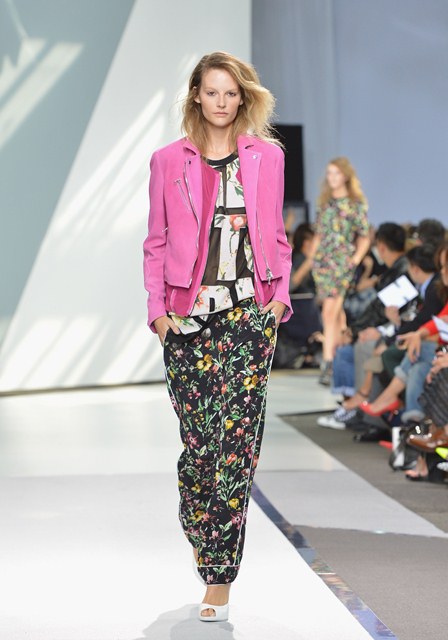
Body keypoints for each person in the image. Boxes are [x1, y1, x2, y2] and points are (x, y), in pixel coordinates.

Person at [142, 52, 292, 622]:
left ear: (242, 97)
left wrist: (277, 300)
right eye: (212, 92)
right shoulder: (167, 160)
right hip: (186, 319)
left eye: (231, 92)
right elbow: (155, 242)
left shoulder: (267, 157)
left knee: (237, 444)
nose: (222, 102)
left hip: (249, 314)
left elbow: (276, 234)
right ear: (196, 96)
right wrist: (158, 313)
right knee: (200, 447)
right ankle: (201, 524)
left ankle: (218, 575)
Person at [311, 157, 370, 385]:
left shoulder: (355, 204)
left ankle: (328, 362)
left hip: (342, 263)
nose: (332, 178)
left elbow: (364, 236)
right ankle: (338, 359)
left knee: (329, 312)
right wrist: (312, 258)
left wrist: (354, 260)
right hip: (323, 264)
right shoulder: (325, 203)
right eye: (329, 173)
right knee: (334, 314)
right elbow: (318, 235)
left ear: (345, 175)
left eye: (336, 173)